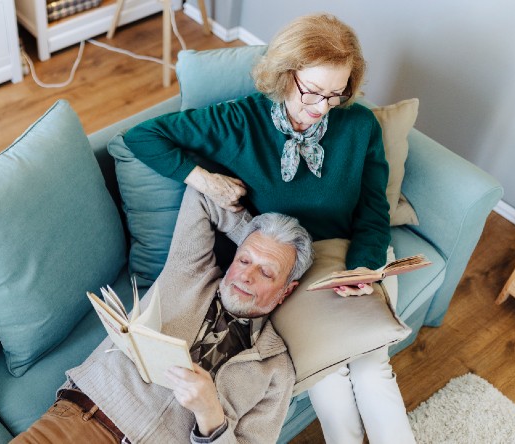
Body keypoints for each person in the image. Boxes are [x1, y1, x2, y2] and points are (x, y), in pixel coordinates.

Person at [122, 12, 415, 444]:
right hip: (293, 265)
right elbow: (142, 136)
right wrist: (204, 180)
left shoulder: (359, 125)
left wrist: (364, 268)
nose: (321, 108)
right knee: (329, 375)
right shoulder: (240, 122)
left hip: (353, 252)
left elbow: (373, 212)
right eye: (311, 91)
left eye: (334, 94)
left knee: (372, 365)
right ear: (284, 74)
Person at [11, 187, 314, 443]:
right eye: (244, 260)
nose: (246, 275)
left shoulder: (276, 371)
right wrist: (254, 236)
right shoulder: (188, 272)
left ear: (286, 291)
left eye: (266, 272)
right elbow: (201, 195)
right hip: (81, 422)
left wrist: (210, 415)